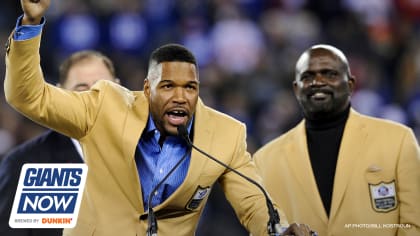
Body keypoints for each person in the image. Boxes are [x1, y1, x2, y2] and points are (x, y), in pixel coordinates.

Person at [4, 1, 315, 235]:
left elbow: (253, 202)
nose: (180, 97)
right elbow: (27, 96)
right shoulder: (105, 107)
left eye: (190, 88)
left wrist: (278, 230)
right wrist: (31, 23)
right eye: (168, 87)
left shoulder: (225, 134)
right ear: (147, 88)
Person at [253, 44, 420, 236]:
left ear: (350, 84)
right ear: (296, 89)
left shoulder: (398, 141)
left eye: (329, 74)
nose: (318, 82)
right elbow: (261, 230)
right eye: (308, 77)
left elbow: (414, 225)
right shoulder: (265, 161)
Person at [0, 50, 120, 236]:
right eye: (82, 89)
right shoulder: (27, 164)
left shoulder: (149, 155)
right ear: (60, 94)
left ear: (120, 90)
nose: (94, 98)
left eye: (104, 88)